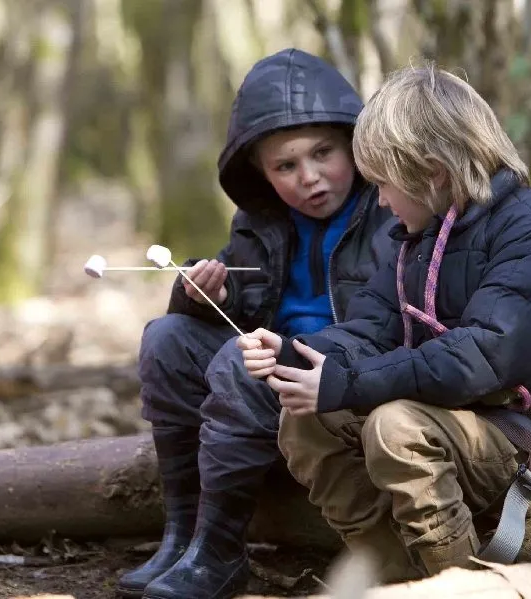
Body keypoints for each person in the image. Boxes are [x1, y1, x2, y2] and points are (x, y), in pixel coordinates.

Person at [239, 63, 531, 577]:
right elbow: (369, 330)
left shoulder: (529, 233)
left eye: (384, 185)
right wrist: (291, 354)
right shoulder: (412, 241)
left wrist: (345, 383)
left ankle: (455, 585)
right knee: (305, 419)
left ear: (432, 172)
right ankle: (393, 576)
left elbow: (477, 358)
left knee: (397, 427)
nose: (381, 202)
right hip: (460, 427)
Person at [115, 48, 400, 599]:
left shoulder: (389, 210)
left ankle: (219, 552)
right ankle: (184, 537)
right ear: (262, 174)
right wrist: (204, 296)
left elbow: (385, 326)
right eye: (285, 167)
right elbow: (241, 309)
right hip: (274, 381)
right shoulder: (261, 221)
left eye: (323, 153)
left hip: (348, 379)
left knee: (246, 359)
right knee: (167, 338)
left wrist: (285, 349)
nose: (310, 178)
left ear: (354, 145)